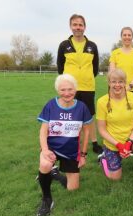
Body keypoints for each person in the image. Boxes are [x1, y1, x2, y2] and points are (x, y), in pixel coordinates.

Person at [36, 74, 92, 216]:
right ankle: (47, 199)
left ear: (75, 89)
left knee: (72, 188)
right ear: (57, 90)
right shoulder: (50, 105)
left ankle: (56, 174)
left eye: (70, 89)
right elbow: (43, 130)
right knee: (45, 164)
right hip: (52, 148)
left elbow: (87, 131)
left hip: (71, 150)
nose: (66, 93)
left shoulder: (82, 107)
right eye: (62, 90)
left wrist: (83, 155)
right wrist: (45, 149)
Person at [96, 69, 133, 195]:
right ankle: (104, 160)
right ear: (109, 83)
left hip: (131, 140)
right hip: (113, 143)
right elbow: (101, 129)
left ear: (125, 83)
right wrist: (118, 144)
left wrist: (128, 142)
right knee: (115, 178)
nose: (117, 85)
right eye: (114, 82)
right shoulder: (102, 101)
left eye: (121, 82)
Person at [57, 13, 102, 154]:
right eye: (75, 25)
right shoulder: (64, 45)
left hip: (88, 87)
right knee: (71, 115)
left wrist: (86, 78)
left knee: (89, 116)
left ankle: (94, 143)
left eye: (80, 25)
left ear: (84, 27)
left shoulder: (92, 46)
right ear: (71, 27)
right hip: (70, 89)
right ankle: (71, 142)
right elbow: (60, 67)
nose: (78, 27)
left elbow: (95, 68)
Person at [109, 27, 133, 102]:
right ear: (121, 37)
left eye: (129, 35)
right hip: (118, 90)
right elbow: (112, 73)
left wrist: (130, 86)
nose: (127, 37)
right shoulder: (115, 53)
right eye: (124, 35)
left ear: (132, 37)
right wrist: (119, 86)